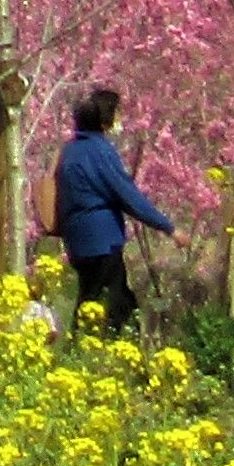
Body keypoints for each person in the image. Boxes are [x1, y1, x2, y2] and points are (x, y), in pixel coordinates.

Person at [50, 81, 175, 333]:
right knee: (115, 306)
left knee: (92, 298)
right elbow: (127, 195)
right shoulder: (101, 152)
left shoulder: (71, 151)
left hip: (77, 241)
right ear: (105, 119)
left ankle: (84, 349)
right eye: (117, 113)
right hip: (101, 241)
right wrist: (167, 227)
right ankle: (94, 353)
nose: (120, 119)